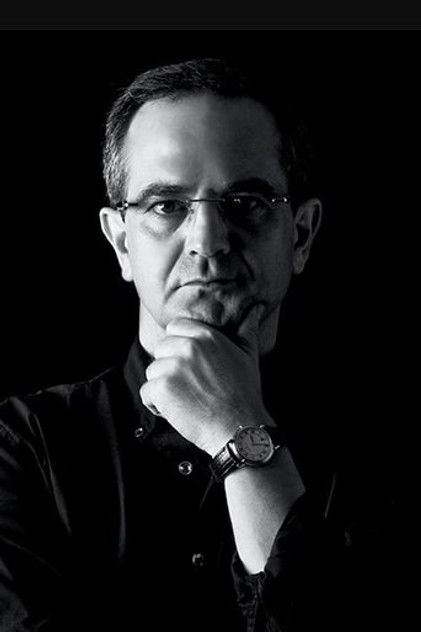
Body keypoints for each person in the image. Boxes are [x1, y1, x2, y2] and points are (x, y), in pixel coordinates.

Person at [0, 57, 406, 632]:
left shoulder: (384, 450)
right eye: (167, 206)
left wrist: (238, 431)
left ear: (301, 235)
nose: (208, 241)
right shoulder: (22, 447)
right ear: (121, 243)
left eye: (246, 204)